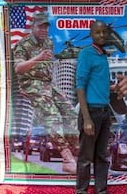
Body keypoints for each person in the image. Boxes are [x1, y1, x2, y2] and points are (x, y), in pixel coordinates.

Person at [12, 12, 79, 174]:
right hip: (32, 84)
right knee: (52, 116)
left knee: (70, 112)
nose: (43, 30)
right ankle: (66, 157)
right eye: (40, 27)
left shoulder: (48, 42)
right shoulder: (23, 44)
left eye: (46, 27)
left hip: (48, 84)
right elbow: (18, 68)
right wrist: (38, 58)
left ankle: (76, 153)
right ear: (32, 27)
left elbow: (49, 68)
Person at [74, 20, 122, 194]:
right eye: (97, 32)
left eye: (104, 32)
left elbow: (96, 85)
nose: (102, 35)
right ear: (91, 34)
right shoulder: (87, 53)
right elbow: (80, 86)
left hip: (104, 112)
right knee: (86, 157)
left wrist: (112, 88)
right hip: (91, 113)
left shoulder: (102, 55)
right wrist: (86, 118)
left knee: (102, 156)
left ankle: (101, 193)